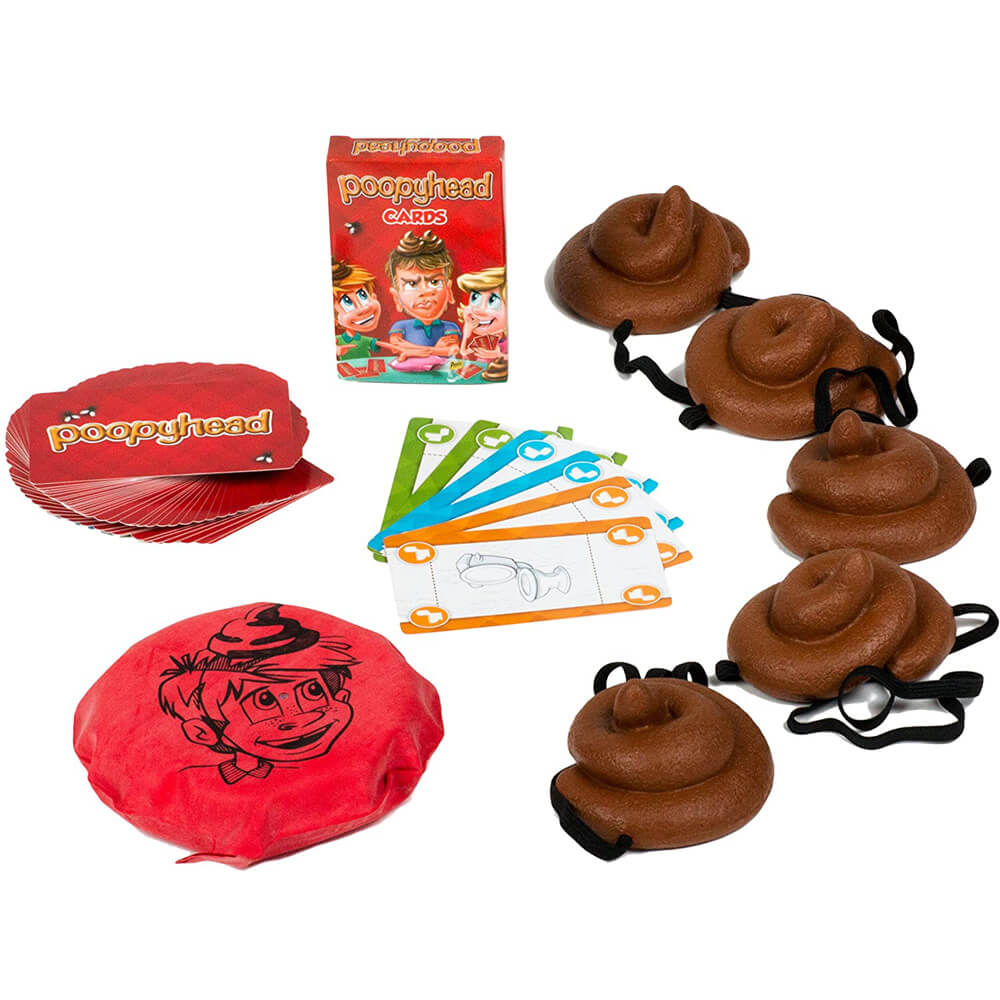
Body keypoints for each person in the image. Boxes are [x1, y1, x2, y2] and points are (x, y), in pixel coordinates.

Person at [158, 604, 357, 784]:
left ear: (341, 697)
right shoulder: (192, 777)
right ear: (203, 732)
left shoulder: (344, 767)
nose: (299, 718)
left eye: (313, 691)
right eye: (265, 701)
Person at [384, 231, 461, 361]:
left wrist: (412, 351)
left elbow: (452, 350)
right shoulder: (400, 327)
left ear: (449, 290)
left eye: (434, 282)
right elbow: (396, 347)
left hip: (444, 370)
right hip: (407, 370)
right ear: (397, 298)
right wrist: (436, 350)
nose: (424, 292)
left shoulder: (450, 327)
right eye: (411, 284)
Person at [332, 259, 382, 360]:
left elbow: (378, 345)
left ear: (373, 296)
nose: (363, 309)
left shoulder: (364, 339)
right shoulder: (337, 339)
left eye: (362, 295)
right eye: (346, 302)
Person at [457, 266, 507, 361]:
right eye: (475, 297)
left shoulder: (506, 343)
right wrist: (466, 333)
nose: (478, 310)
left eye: (493, 300)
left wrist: (499, 355)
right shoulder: (484, 340)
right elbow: (464, 352)